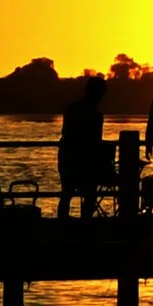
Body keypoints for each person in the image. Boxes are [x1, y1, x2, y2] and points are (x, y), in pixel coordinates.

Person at [56, 73, 110, 219]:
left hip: (67, 155)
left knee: (66, 193)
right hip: (85, 159)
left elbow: (66, 132)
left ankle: (62, 225)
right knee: (89, 195)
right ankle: (85, 224)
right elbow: (95, 141)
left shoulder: (71, 108)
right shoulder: (96, 115)